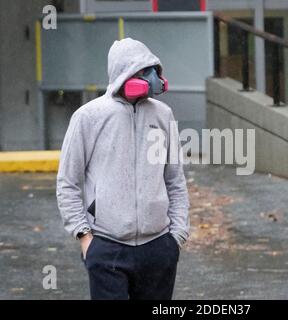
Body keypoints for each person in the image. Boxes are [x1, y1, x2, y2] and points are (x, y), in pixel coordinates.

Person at [56, 38, 190, 300]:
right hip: (107, 247)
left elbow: (175, 179)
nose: (152, 78)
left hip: (158, 247)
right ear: (123, 73)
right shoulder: (89, 117)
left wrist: (176, 237)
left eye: (154, 70)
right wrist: (85, 237)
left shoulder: (163, 114)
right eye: (143, 71)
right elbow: (67, 181)